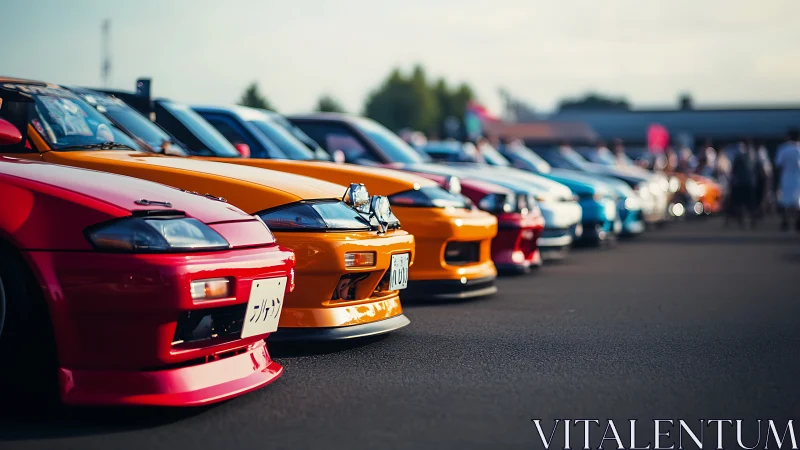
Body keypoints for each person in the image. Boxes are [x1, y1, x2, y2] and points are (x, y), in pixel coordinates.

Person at [774, 129, 800, 231]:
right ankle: (797, 220)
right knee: (797, 201)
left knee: (785, 201)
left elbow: (778, 165)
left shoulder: (783, 149)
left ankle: (786, 221)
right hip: (798, 178)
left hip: (786, 178)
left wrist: (777, 180)